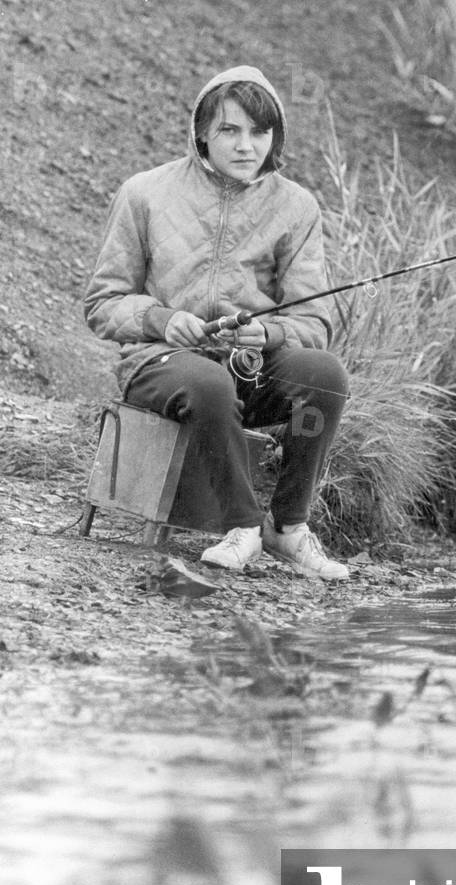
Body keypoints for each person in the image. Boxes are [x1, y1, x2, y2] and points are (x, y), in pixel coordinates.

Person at [85, 65, 349, 581]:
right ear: (201, 131)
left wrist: (270, 333)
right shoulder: (145, 194)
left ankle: (288, 527)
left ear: (275, 137)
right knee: (208, 385)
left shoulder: (297, 207)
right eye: (230, 130)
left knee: (324, 379)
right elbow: (102, 303)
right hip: (158, 364)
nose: (246, 145)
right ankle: (242, 525)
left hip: (252, 366)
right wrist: (162, 319)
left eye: (259, 131)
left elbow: (314, 320)